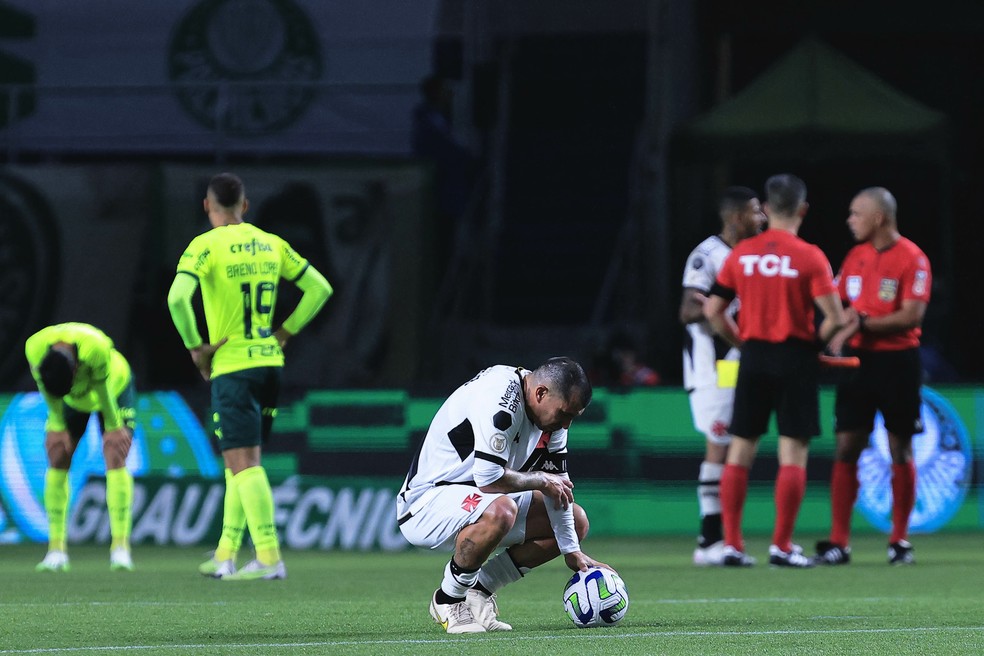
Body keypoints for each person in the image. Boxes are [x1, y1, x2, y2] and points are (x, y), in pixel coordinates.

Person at [167, 172, 333, 581]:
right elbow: (319, 288)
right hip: (269, 363)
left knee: (244, 464)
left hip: (233, 365)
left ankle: (269, 556)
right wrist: (285, 332)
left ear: (208, 206)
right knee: (238, 462)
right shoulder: (271, 243)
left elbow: (176, 299)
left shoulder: (205, 245)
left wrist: (196, 349)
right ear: (244, 205)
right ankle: (225, 554)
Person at [396, 357, 612, 633]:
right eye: (564, 414)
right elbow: (488, 479)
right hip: (426, 503)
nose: (566, 425)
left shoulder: (552, 418)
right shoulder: (500, 401)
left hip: (477, 497)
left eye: (573, 417)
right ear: (541, 393)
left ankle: (479, 591)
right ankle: (448, 599)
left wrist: (571, 551)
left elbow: (558, 488)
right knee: (502, 509)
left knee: (576, 521)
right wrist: (540, 480)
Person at [703, 173, 846, 568]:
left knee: (739, 450)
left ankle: (732, 545)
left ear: (766, 209)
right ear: (803, 209)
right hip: (795, 358)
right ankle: (781, 546)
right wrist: (814, 345)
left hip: (753, 357)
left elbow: (713, 311)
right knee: (792, 454)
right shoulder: (810, 256)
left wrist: (742, 343)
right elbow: (835, 317)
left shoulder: (741, 254)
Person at [814, 187, 931, 566]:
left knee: (900, 447)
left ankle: (899, 540)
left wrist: (861, 323)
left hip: (898, 362)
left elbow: (911, 316)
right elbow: (843, 307)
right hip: (857, 363)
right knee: (846, 445)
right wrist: (833, 335)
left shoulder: (913, 258)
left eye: (856, 213)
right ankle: (839, 542)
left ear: (879, 218)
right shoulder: (855, 257)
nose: (850, 221)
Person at [679, 186, 765, 566]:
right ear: (737, 217)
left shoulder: (751, 256)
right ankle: (710, 540)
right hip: (712, 366)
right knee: (720, 444)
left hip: (737, 361)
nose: (762, 217)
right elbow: (687, 310)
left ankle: (724, 538)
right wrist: (719, 306)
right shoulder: (708, 255)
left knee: (735, 445)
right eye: (755, 211)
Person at [25, 322, 137, 572]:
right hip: (74, 401)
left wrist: (114, 426)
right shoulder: (34, 347)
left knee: (115, 453)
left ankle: (120, 549)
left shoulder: (94, 348)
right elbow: (47, 390)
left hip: (114, 389)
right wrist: (56, 425)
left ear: (76, 369)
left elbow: (104, 392)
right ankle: (56, 551)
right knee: (57, 455)